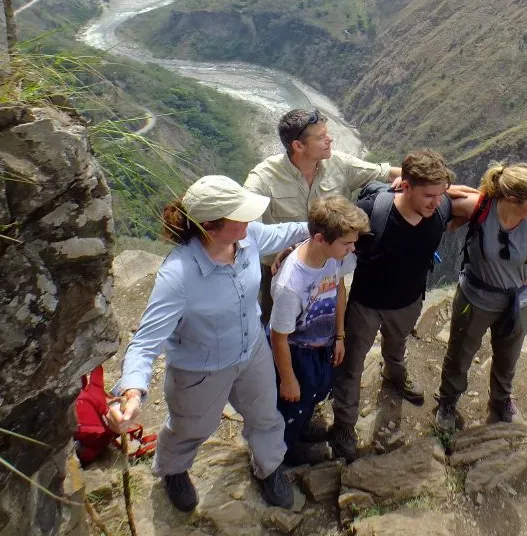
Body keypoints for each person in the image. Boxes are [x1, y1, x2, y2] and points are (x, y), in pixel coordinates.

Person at [108, 175, 309, 512]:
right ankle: (173, 469)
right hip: (200, 370)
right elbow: (145, 343)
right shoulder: (179, 276)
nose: (249, 221)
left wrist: (325, 223)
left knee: (265, 415)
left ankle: (269, 465)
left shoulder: (248, 238)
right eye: (240, 216)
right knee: (190, 427)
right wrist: (131, 391)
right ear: (209, 226)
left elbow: (284, 232)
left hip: (252, 352)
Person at [329, 149, 456, 462]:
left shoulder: (440, 209)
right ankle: (344, 425)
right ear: (406, 186)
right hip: (365, 305)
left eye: (440, 194)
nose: (436, 202)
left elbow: (470, 198)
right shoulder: (372, 211)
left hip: (408, 301)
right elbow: (333, 239)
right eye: (429, 195)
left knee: (396, 346)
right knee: (351, 366)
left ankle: (395, 376)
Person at [434, 162, 527, 431]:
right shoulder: (481, 208)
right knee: (460, 353)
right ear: (512, 199)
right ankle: (448, 402)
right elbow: (436, 203)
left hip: (516, 301)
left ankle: (500, 400)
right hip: (475, 298)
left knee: (508, 356)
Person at [244, 108, 402, 325]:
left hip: (329, 266)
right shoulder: (264, 178)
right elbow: (244, 228)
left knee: (323, 331)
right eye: (320, 137)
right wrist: (275, 248)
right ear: (298, 146)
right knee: (276, 331)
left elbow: (384, 172)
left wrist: (424, 182)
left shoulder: (339, 164)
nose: (330, 139)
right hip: (279, 272)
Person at [269, 195, 368, 465]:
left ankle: (301, 426)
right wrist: (288, 378)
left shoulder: (333, 257)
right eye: (347, 243)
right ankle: (284, 452)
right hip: (296, 350)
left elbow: (338, 290)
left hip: (322, 343)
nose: (352, 248)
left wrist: (339, 336)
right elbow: (279, 337)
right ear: (321, 239)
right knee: (292, 399)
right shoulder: (291, 284)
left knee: (317, 389)